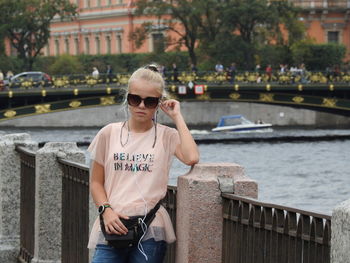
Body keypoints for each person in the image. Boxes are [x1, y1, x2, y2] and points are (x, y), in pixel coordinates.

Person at [88, 64, 199, 263]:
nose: (141, 106)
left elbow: (191, 157)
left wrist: (176, 116)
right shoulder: (109, 133)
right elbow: (96, 182)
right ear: (127, 98)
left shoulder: (167, 136)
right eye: (135, 99)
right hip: (113, 225)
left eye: (150, 101)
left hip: (150, 229)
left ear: (159, 103)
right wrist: (106, 211)